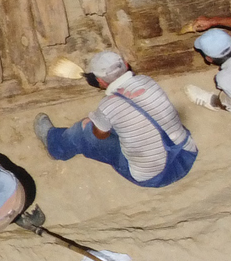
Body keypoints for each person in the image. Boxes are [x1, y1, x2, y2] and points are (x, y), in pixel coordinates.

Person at [34, 50, 197, 188]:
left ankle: (55, 146)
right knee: (139, 118)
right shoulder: (148, 81)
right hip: (186, 155)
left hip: (153, 177)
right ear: (126, 65)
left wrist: (94, 123)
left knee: (85, 129)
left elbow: (99, 136)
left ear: (99, 81)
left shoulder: (108, 106)